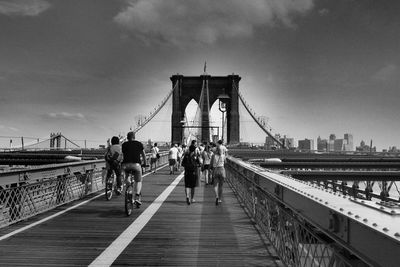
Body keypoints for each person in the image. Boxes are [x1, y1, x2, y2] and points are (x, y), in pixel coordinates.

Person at [121, 132, 148, 207]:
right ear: (134, 137)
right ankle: (137, 196)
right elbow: (143, 155)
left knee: (127, 176)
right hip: (136, 165)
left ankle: (129, 188)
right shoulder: (139, 144)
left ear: (127, 137)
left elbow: (122, 155)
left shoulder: (124, 144)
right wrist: (145, 164)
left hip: (125, 165)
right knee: (138, 181)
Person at [181, 140, 200, 205]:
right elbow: (199, 164)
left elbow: (182, 164)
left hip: (187, 172)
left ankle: (187, 197)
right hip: (193, 173)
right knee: (193, 186)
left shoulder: (186, 155)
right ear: (194, 150)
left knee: (187, 185)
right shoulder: (196, 156)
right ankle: (192, 198)